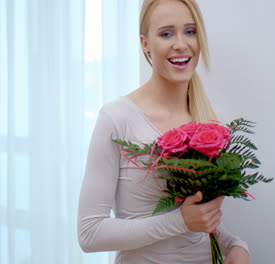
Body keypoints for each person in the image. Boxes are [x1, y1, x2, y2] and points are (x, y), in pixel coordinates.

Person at [78, 0, 250, 263]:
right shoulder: (116, 118)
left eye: (190, 31)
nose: (181, 44)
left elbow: (199, 219)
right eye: (166, 33)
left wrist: (235, 246)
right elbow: (90, 233)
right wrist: (179, 221)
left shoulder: (209, 124)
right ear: (145, 43)